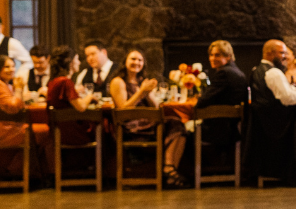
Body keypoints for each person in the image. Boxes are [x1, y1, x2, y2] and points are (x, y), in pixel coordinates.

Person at [110, 49, 188, 187]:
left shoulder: (141, 81)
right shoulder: (118, 82)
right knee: (175, 125)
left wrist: (149, 92)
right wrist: (141, 92)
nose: (137, 63)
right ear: (125, 62)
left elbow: (157, 108)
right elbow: (122, 110)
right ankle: (169, 170)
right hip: (132, 127)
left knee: (178, 124)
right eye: (133, 59)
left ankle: (169, 169)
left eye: (140, 60)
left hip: (147, 123)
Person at [244, 39, 296, 186]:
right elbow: (289, 98)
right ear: (270, 53)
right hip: (279, 127)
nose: (285, 56)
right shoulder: (274, 72)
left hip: (264, 125)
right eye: (282, 52)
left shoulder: (256, 71)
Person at [0, 54, 49, 168]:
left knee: (41, 130)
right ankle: (18, 169)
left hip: (8, 128)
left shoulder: (2, 83)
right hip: (3, 132)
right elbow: (13, 108)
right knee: (46, 131)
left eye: (13, 66)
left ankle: (24, 170)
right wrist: (19, 88)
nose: (11, 69)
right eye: (7, 67)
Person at [194, 40, 248, 154]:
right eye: (211, 55)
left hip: (221, 130)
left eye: (217, 55)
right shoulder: (237, 72)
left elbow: (202, 102)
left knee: (182, 131)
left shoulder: (224, 73)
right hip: (234, 127)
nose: (212, 58)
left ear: (228, 56)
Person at [45, 45, 97, 162]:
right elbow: (81, 107)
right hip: (72, 134)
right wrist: (90, 96)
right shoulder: (66, 81)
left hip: (59, 132)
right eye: (77, 59)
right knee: (105, 128)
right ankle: (101, 173)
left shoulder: (54, 81)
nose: (79, 62)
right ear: (70, 62)